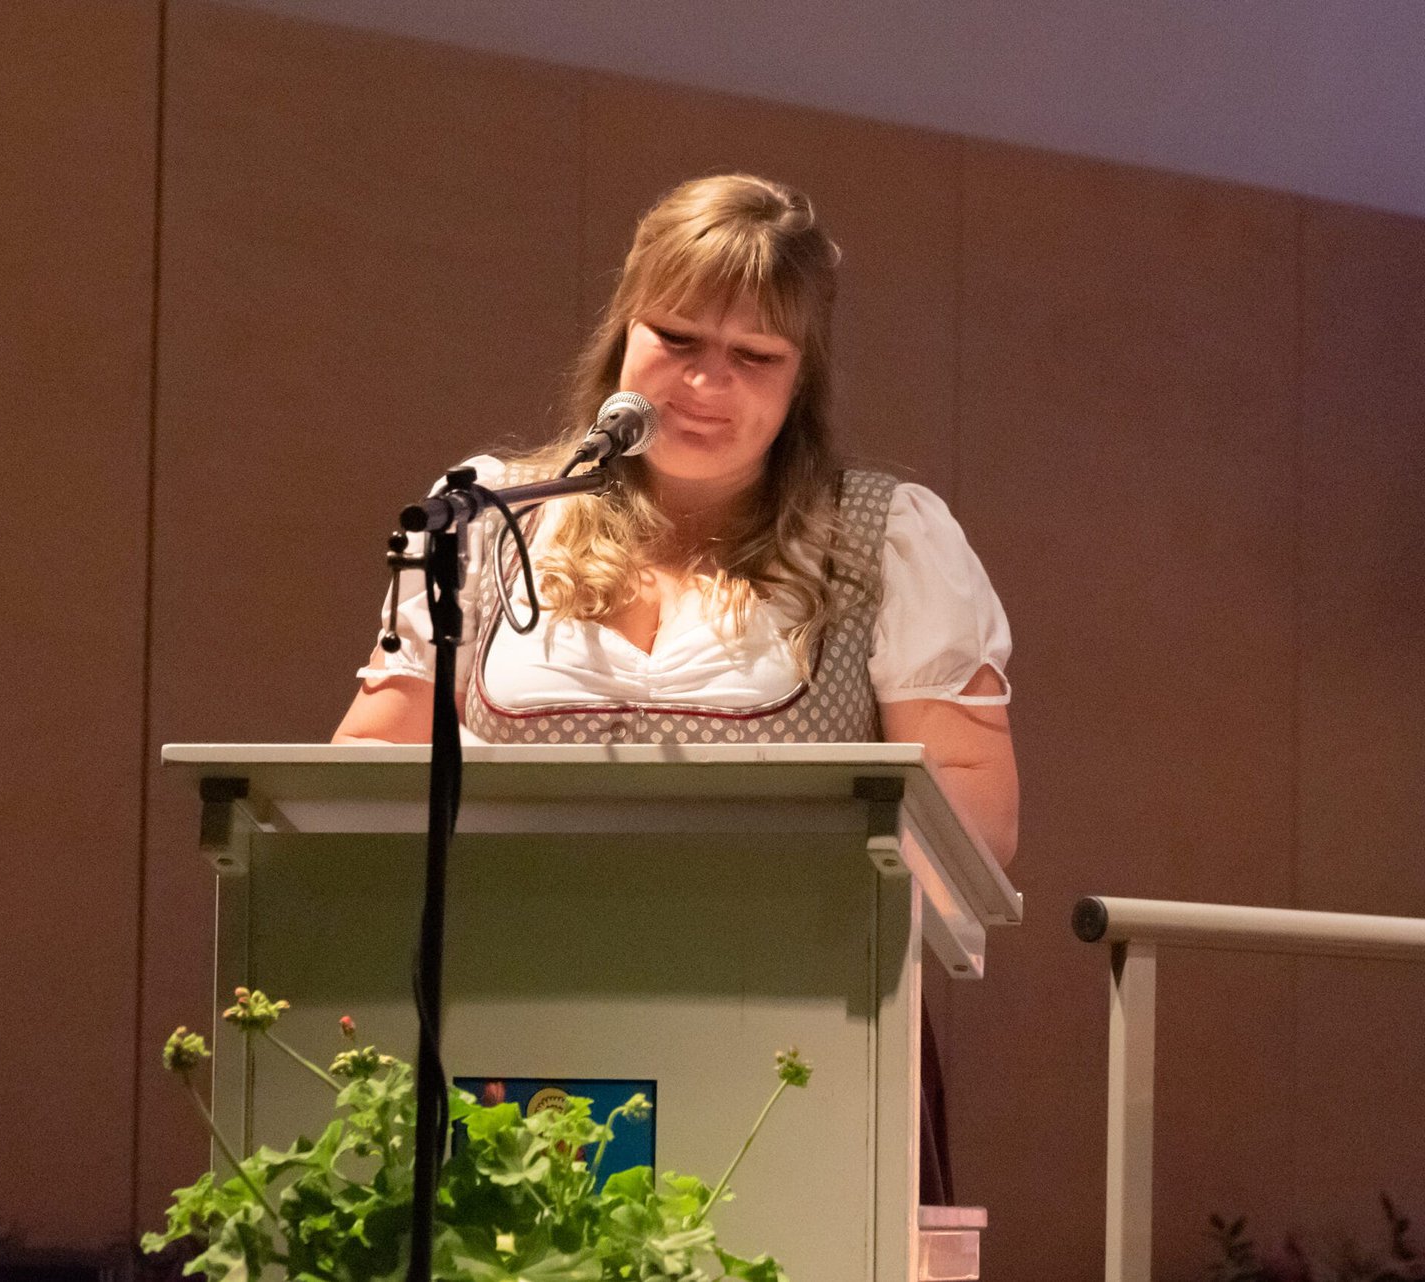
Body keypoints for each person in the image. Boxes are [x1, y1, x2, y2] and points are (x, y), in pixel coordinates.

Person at [332, 172, 1018, 1201]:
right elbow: (366, 773)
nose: (706, 382)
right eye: (678, 337)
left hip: (798, 1042)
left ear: (802, 377)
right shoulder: (490, 518)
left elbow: (977, 820)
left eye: (755, 356)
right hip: (509, 1022)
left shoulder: (887, 536)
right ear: (624, 332)